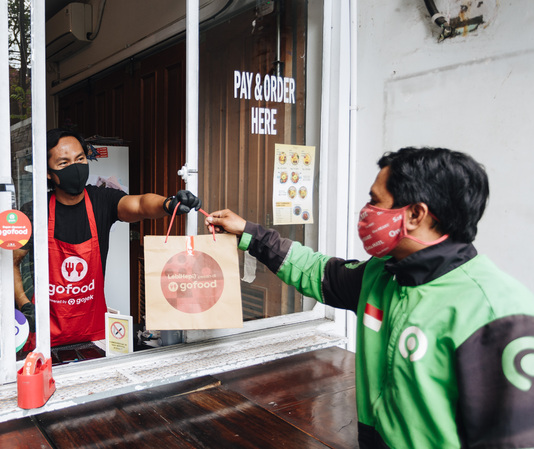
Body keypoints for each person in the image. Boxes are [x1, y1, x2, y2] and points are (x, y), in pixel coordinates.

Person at [204, 147, 534, 448]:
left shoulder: (498, 314)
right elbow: (319, 273)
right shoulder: (383, 274)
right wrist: (249, 232)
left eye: (376, 201)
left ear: (416, 214)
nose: (366, 212)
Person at [13, 128, 201, 348]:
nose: (75, 167)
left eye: (80, 159)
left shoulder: (102, 200)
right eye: (64, 163)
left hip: (93, 332)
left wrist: (168, 204)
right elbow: (12, 262)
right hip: (46, 331)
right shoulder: (35, 211)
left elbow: (140, 205)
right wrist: (25, 305)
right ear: (48, 172)